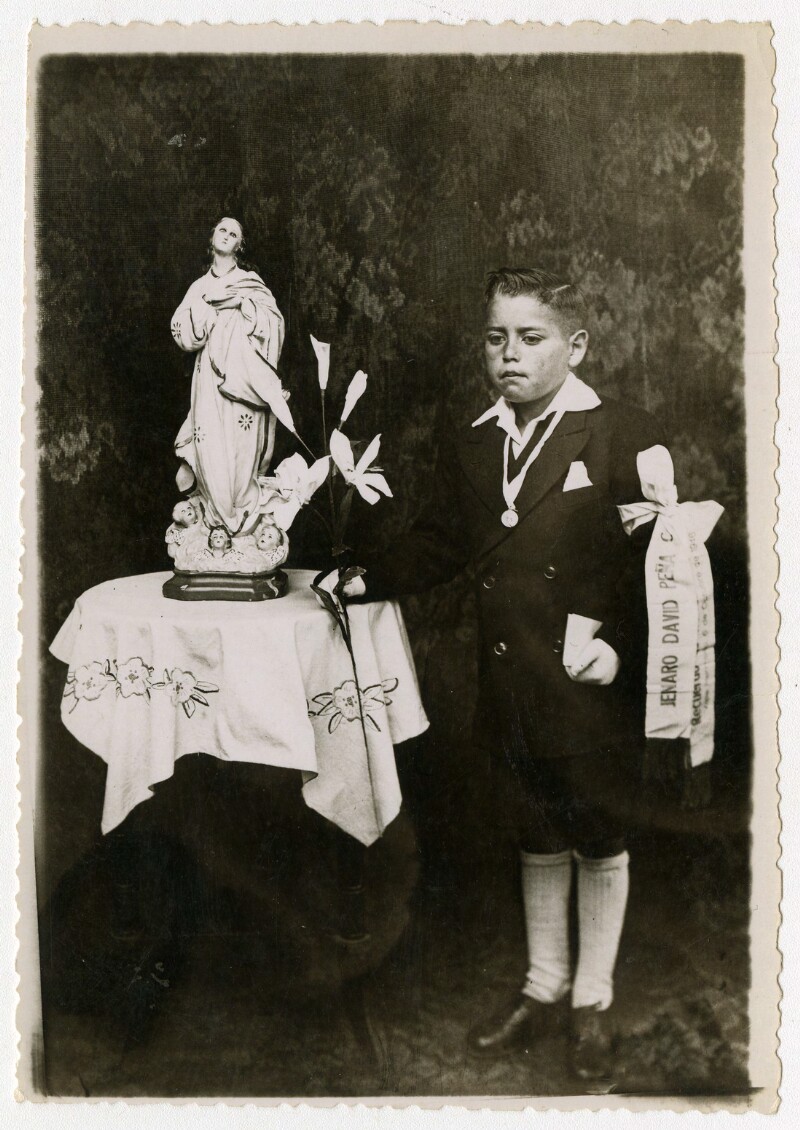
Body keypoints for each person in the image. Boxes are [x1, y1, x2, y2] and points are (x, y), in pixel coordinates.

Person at [340, 266, 666, 1082]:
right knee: (535, 829)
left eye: (531, 338)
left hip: (588, 681)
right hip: (511, 678)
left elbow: (662, 566)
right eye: (496, 338)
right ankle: (543, 986)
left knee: (596, 831)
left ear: (575, 346)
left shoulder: (619, 432)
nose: (509, 355)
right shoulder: (476, 439)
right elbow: (440, 542)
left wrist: (620, 651)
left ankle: (591, 1001)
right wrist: (364, 577)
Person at [171, 217, 286, 536]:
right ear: (212, 238)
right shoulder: (199, 287)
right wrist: (203, 317)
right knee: (210, 444)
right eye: (222, 229)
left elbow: (275, 325)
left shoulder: (250, 282)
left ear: (240, 245)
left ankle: (242, 518)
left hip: (244, 381)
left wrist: (243, 305)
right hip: (209, 380)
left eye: (234, 233)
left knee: (241, 446)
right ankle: (218, 522)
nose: (227, 235)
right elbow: (181, 331)